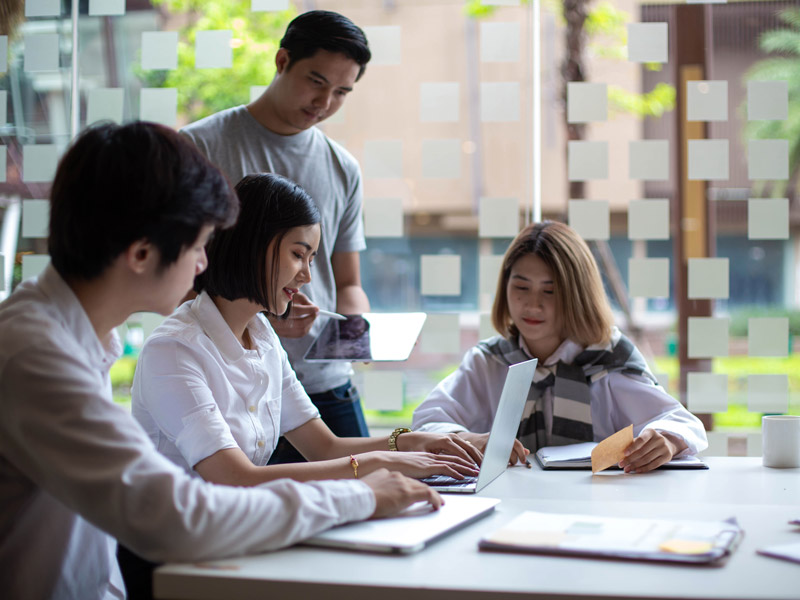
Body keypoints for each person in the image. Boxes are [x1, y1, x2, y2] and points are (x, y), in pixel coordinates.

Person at [0, 122, 441, 600]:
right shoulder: (35, 357)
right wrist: (362, 492)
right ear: (142, 252)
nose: (203, 264)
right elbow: (180, 516)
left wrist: (390, 457)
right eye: (196, 247)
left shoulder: (74, 341)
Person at [131, 172, 482, 486]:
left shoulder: (264, 336)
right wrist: (383, 460)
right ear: (252, 245)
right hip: (175, 548)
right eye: (298, 255)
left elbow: (324, 446)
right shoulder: (175, 350)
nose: (307, 276)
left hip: (240, 530)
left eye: (312, 259)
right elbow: (234, 477)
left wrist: (408, 441)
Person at [181, 10, 374, 462]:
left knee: (373, 507)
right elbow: (178, 278)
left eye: (342, 92)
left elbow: (346, 283)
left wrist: (354, 328)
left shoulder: (342, 166)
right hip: (232, 383)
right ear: (282, 60)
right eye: (316, 81)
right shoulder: (201, 148)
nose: (325, 103)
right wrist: (260, 316)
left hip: (325, 387)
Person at [412, 221, 708, 473]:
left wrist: (668, 440)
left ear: (578, 294)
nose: (533, 304)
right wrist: (466, 439)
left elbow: (682, 422)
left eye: (550, 291)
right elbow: (428, 421)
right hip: (510, 506)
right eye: (521, 287)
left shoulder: (608, 360)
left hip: (597, 507)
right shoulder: (490, 362)